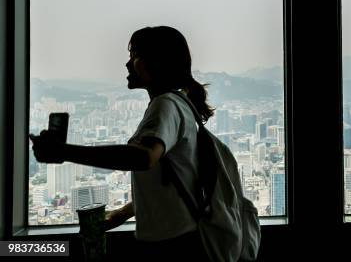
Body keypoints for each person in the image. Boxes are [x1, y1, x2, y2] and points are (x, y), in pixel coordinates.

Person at [30, 26, 214, 259]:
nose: (128, 64)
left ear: (156, 62)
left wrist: (63, 152)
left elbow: (143, 157)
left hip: (173, 244)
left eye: (134, 55)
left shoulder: (166, 104)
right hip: (178, 237)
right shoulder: (177, 103)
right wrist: (123, 213)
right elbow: (168, 183)